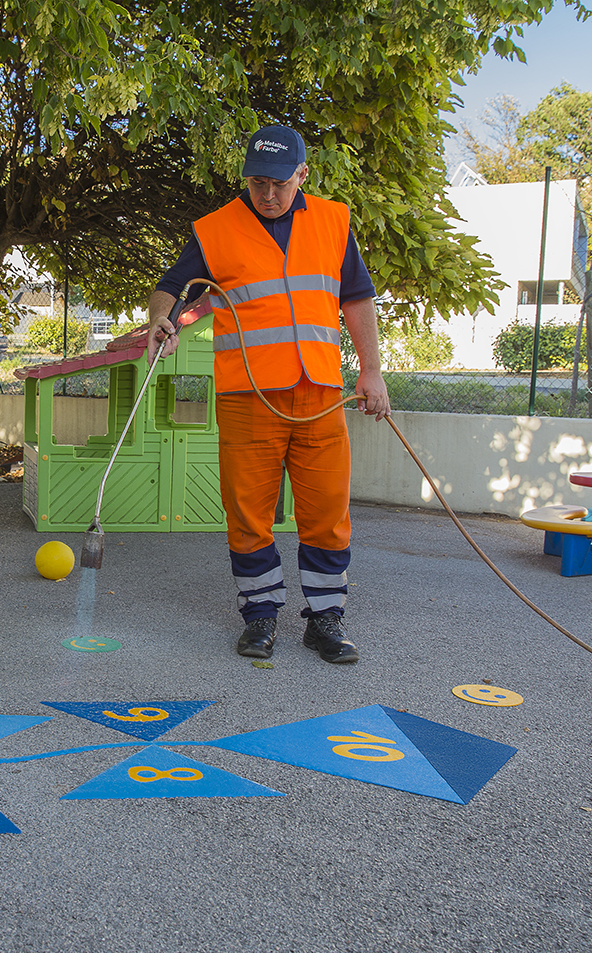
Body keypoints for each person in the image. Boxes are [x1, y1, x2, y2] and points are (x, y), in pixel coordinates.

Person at [146, 124, 390, 663]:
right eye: (258, 182)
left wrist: (371, 371)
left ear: (302, 175)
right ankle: (260, 618)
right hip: (247, 399)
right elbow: (171, 287)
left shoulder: (333, 221)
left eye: (280, 183)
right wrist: (161, 321)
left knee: (327, 511)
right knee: (248, 512)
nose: (269, 194)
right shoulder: (215, 230)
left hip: (320, 394)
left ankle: (326, 620)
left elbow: (357, 300)